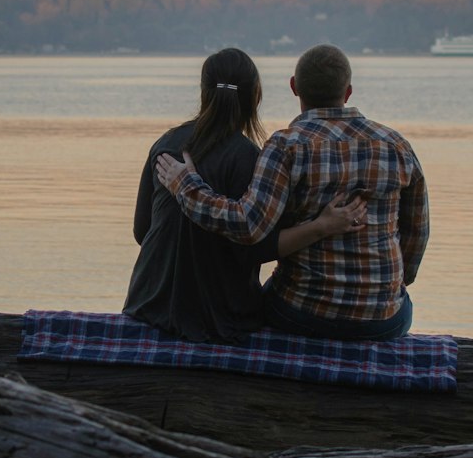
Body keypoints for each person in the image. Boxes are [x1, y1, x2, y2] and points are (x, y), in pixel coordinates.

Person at [156, 44, 428, 341]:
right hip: (382, 320)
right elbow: (417, 232)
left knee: (261, 298)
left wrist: (185, 185)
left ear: (294, 87)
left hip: (300, 313)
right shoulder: (397, 146)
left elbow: (248, 225)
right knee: (402, 304)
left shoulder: (286, 147)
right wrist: (394, 284)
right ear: (348, 92)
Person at [125, 47, 365, 343]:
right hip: (222, 317)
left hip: (148, 303)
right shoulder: (251, 158)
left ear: (203, 92)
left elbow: (141, 231)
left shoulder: (166, 144)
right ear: (256, 97)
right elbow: (260, 247)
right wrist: (320, 226)